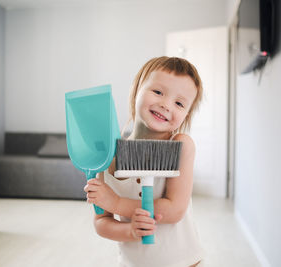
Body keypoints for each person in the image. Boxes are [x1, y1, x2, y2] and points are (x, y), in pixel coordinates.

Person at [84, 56, 204, 267]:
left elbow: (175, 209)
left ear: (186, 114)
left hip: (183, 263)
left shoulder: (181, 146)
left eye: (179, 103)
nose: (166, 105)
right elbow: (102, 222)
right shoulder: (108, 157)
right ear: (136, 89)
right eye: (158, 92)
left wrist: (116, 203)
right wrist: (129, 231)